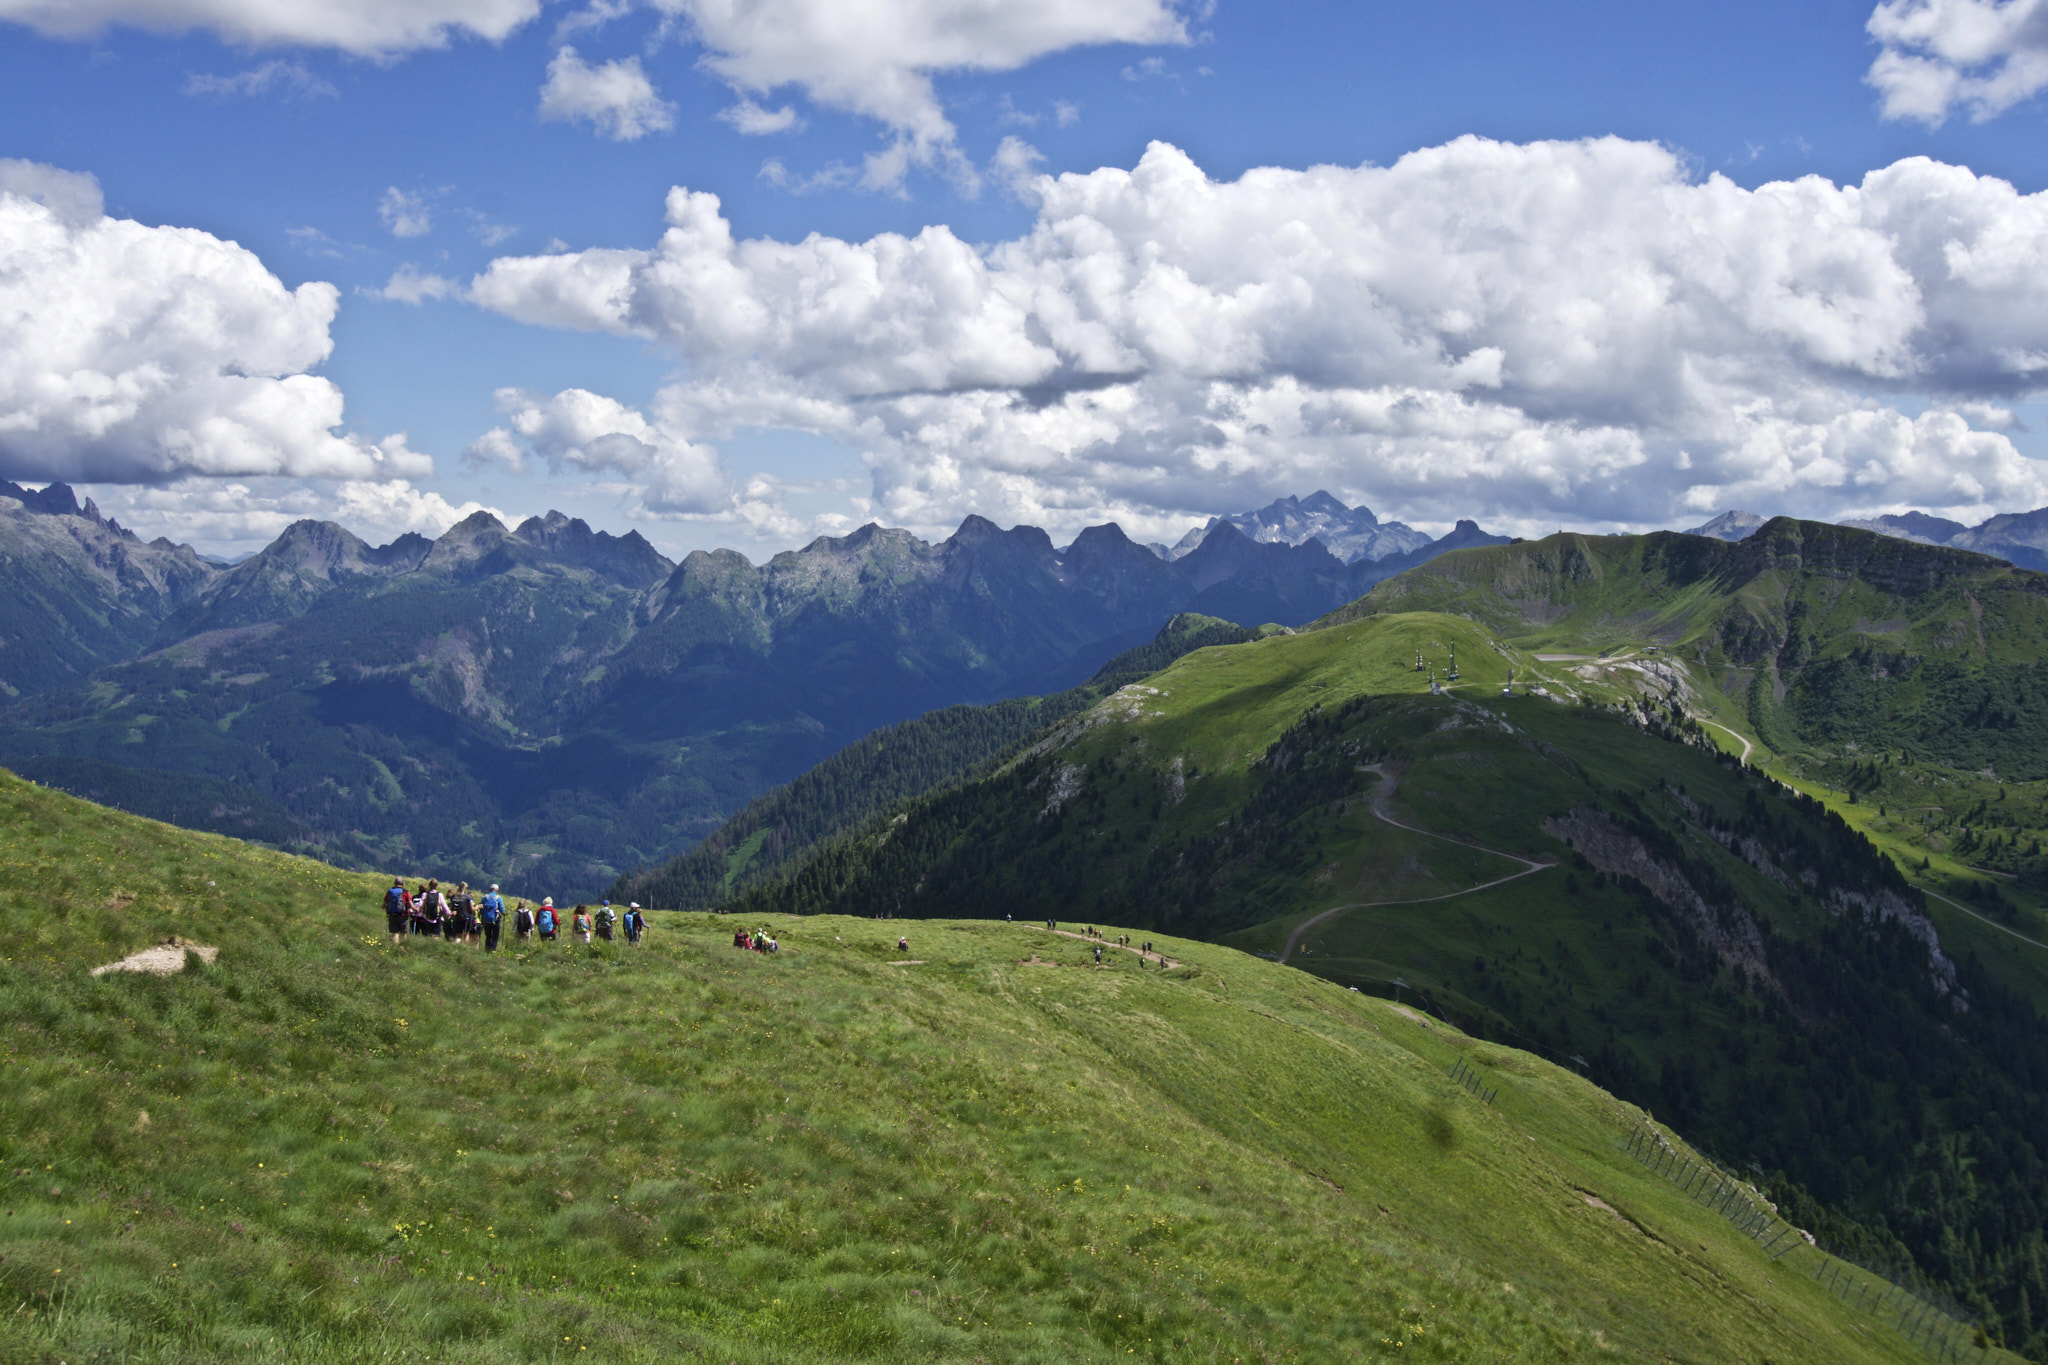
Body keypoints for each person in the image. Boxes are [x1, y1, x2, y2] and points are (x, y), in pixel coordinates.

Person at [383, 879, 410, 945]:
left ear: (395, 883)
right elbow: (410, 903)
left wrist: (384, 908)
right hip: (403, 915)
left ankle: (395, 946)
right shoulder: (406, 892)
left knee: (395, 932)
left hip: (392, 914)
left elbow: (385, 903)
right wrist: (416, 909)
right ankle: (403, 946)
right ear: (403, 883)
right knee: (403, 932)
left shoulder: (390, 891)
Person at [479, 884, 505, 953]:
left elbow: (480, 907)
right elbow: (501, 909)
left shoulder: (484, 897)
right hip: (496, 920)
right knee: (495, 936)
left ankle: (487, 950)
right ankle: (493, 951)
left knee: (488, 936)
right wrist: (504, 913)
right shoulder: (498, 898)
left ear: (490, 889)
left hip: (486, 920)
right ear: (497, 890)